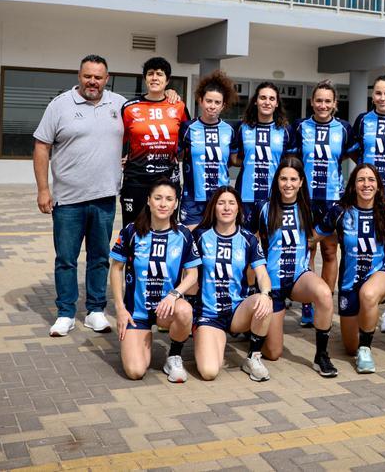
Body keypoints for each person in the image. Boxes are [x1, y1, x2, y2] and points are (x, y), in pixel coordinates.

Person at [33, 54, 124, 337]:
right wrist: (43, 189)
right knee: (66, 259)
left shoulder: (119, 104)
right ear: (79, 76)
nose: (92, 82)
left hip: (105, 197)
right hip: (68, 200)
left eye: (98, 77)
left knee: (99, 257)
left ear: (106, 79)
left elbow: (143, 123)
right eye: (88, 76)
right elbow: (41, 147)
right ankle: (66, 313)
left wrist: (169, 94)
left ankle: (96, 310)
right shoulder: (59, 106)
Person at [108, 179, 199, 381]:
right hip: (136, 312)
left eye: (169, 199)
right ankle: (143, 334)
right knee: (135, 371)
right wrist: (120, 308)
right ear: (148, 200)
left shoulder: (183, 234)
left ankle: (174, 356)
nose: (163, 204)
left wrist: (174, 295)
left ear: (176, 204)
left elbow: (193, 274)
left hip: (165, 309)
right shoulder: (131, 231)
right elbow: (116, 268)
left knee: (184, 310)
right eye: (158, 198)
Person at [254, 158, 337, 377]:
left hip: (299, 276)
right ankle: (252, 326)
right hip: (272, 283)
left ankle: (321, 355)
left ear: (301, 182)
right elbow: (250, 244)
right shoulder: (264, 208)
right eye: (283, 179)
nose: (288, 184)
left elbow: (320, 234)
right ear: (277, 181)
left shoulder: (308, 208)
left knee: (324, 294)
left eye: (293, 179)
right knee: (272, 353)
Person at [316, 164, 385, 373]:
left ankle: (366, 348)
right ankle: (363, 329)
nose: (366, 184)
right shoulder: (340, 212)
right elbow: (313, 236)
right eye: (361, 180)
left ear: (378, 185)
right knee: (349, 347)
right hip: (349, 281)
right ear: (353, 185)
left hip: (380, 274)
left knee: (368, 294)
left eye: (371, 180)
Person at [346, 74, 385, 334]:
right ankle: (362, 296)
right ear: (372, 96)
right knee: (364, 248)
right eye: (378, 93)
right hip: (365, 196)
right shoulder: (363, 120)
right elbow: (353, 150)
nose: (382, 98)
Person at [191, 186, 274, 381]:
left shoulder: (248, 239)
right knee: (209, 372)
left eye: (231, 203)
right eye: (221, 203)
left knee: (264, 301)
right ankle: (202, 336)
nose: (226, 208)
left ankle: (253, 357)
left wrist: (265, 293)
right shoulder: (200, 236)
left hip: (238, 312)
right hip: (209, 315)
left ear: (238, 209)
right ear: (214, 208)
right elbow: (189, 275)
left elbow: (262, 274)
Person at [290, 80, 352, 326]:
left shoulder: (344, 129)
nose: (323, 105)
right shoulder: (300, 127)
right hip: (304, 198)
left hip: (331, 199)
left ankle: (324, 302)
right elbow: (293, 158)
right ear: (311, 102)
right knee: (306, 251)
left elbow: (347, 155)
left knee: (329, 251)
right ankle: (308, 302)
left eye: (328, 101)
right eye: (319, 100)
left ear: (335, 104)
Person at [120, 57, 188, 227]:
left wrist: (175, 154)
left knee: (166, 229)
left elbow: (187, 139)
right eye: (150, 74)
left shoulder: (178, 106)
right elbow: (119, 139)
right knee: (133, 229)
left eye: (160, 74)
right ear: (145, 79)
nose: (155, 78)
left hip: (167, 179)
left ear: (167, 80)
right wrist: (122, 156)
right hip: (136, 179)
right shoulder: (129, 107)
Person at [178, 70, 238, 227]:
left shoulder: (230, 130)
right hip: (192, 198)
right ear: (200, 101)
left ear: (223, 105)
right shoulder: (187, 128)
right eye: (209, 101)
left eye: (217, 103)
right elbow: (176, 155)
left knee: (217, 244)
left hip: (220, 198)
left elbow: (231, 160)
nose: (212, 106)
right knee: (192, 245)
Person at [231, 81, 294, 225]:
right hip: (246, 195)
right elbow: (234, 159)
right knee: (247, 240)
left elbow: (290, 164)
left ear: (277, 103)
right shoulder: (241, 128)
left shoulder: (286, 130)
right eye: (263, 98)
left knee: (271, 241)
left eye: (272, 99)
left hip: (275, 195)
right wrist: (251, 161)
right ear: (255, 101)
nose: (267, 102)